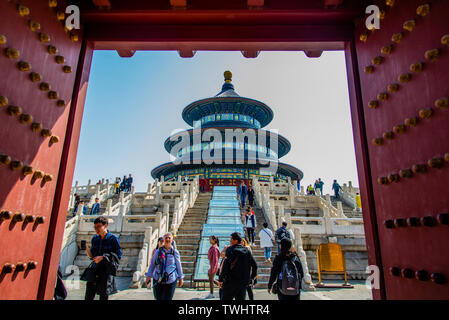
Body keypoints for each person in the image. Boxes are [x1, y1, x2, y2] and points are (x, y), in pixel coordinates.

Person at [84, 216, 122, 300]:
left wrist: (103, 257)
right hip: (95, 269)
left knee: (104, 296)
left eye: (99, 227)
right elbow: (92, 256)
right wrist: (86, 248)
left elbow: (118, 256)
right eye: (95, 227)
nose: (96, 229)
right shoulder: (95, 239)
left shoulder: (113, 239)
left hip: (106, 271)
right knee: (88, 295)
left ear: (105, 225)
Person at [218, 232, 257, 300]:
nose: (230, 241)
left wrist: (221, 279)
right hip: (242, 283)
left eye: (231, 239)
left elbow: (226, 265)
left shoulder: (230, 250)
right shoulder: (246, 251)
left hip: (230, 282)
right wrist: (251, 278)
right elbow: (255, 265)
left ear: (235, 240)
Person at [144, 232, 184, 300]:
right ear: (163, 240)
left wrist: (181, 278)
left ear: (172, 240)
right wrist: (149, 275)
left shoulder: (175, 252)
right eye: (166, 238)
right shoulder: (158, 251)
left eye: (169, 238)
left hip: (171, 279)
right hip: (158, 278)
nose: (167, 239)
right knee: (158, 298)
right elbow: (152, 263)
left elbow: (178, 265)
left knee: (168, 298)